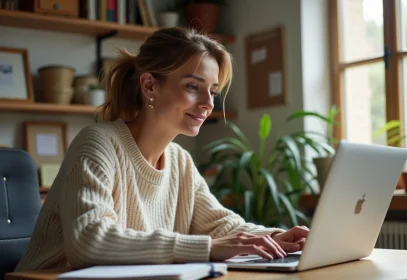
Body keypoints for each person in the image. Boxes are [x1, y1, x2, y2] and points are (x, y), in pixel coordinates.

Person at [15, 27, 309, 272]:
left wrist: (275, 236)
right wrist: (207, 249)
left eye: (213, 91)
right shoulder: (97, 143)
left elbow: (221, 226)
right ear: (149, 86)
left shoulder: (179, 161)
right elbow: (89, 242)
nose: (208, 103)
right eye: (194, 87)